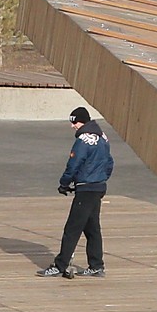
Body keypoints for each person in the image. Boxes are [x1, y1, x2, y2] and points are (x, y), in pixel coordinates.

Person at [42, 105, 112, 278]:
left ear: (83, 121)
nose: (73, 126)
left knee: (72, 228)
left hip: (86, 188)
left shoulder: (83, 140)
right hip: (98, 187)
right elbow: (110, 163)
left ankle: (60, 265)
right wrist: (102, 178)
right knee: (92, 228)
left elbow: (73, 164)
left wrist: (64, 183)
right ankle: (96, 265)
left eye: (75, 122)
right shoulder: (103, 138)